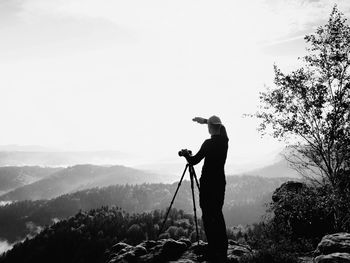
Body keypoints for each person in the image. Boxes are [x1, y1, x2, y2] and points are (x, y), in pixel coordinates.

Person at [185, 115, 229, 262]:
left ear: (210, 128)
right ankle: (222, 248)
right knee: (217, 214)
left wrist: (186, 154)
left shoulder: (208, 143)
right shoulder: (224, 142)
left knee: (207, 215)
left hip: (207, 184)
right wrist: (206, 121)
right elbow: (223, 128)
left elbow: (194, 161)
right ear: (220, 127)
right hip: (220, 183)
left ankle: (212, 247)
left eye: (208, 126)